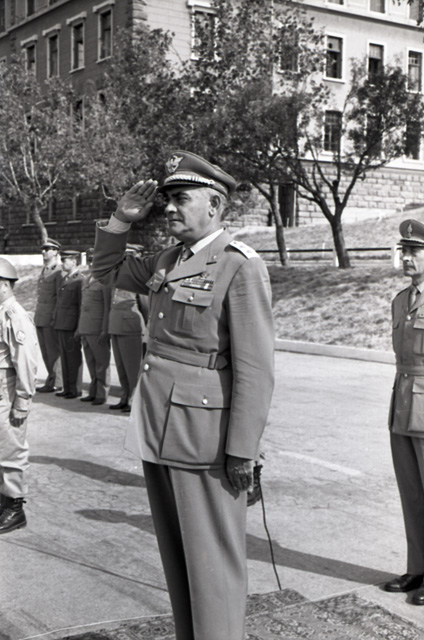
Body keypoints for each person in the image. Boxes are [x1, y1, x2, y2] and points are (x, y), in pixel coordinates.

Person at [92, 150, 275, 640]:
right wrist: (120, 221)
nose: (169, 207)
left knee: (213, 565)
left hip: (205, 437)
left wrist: (243, 449)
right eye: (167, 198)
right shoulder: (169, 259)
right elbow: (107, 271)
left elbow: (256, 368)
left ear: (214, 205)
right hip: (160, 427)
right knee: (179, 559)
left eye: (181, 198)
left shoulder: (239, 265)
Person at [384, 219, 424, 605]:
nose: (407, 257)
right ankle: (417, 568)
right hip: (403, 403)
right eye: (405, 251)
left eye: (414, 251)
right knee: (411, 492)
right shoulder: (400, 300)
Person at [0, 258, 38, 534]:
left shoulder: (15, 316)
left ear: (3, 285)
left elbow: (25, 362)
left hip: (7, 391)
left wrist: (22, 402)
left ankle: (15, 508)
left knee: (11, 449)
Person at [108, 244, 147, 414]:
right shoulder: (117, 278)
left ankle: (134, 400)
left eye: (128, 257)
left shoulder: (139, 279)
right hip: (116, 326)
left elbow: (146, 307)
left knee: (133, 368)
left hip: (131, 328)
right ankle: (124, 397)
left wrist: (147, 329)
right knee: (121, 366)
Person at [77, 248, 112, 406]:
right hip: (86, 328)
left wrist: (105, 329)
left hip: (98, 329)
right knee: (91, 362)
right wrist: (80, 328)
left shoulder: (105, 281)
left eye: (95, 260)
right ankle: (93, 391)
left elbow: (107, 307)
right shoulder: (86, 280)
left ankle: (102, 393)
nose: (92, 263)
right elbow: (82, 306)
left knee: (101, 363)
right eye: (90, 260)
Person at [53, 250, 84, 399]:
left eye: (65, 260)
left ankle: (75, 389)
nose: (62, 263)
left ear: (74, 261)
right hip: (62, 323)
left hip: (71, 325)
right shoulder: (65, 279)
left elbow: (81, 305)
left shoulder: (80, 280)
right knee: (65, 358)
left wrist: (79, 326)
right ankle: (67, 387)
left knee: (73, 357)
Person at [34, 238, 63, 393]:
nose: (44, 252)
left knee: (53, 350)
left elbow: (59, 297)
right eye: (43, 249)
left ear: (56, 251)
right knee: (45, 351)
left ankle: (58, 381)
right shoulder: (44, 270)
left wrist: (55, 316)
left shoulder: (58, 271)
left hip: (50, 317)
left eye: (48, 249)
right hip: (41, 316)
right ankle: (51, 379)